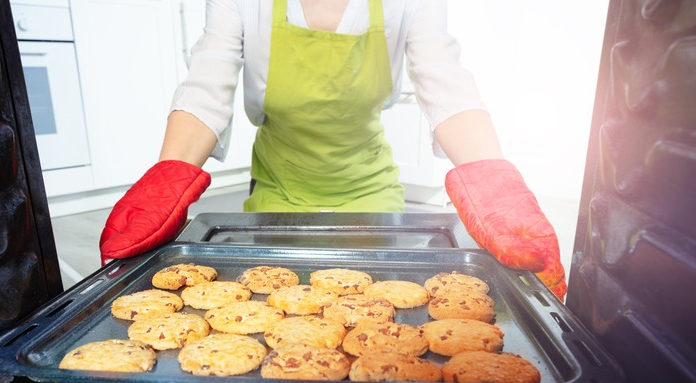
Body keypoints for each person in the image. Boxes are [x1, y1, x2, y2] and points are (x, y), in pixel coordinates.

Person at [98, 0, 567, 300]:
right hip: (279, 192)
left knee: (375, 308)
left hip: (369, 192)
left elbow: (447, 85)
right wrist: (168, 178)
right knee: (275, 302)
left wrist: (493, 182)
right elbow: (207, 82)